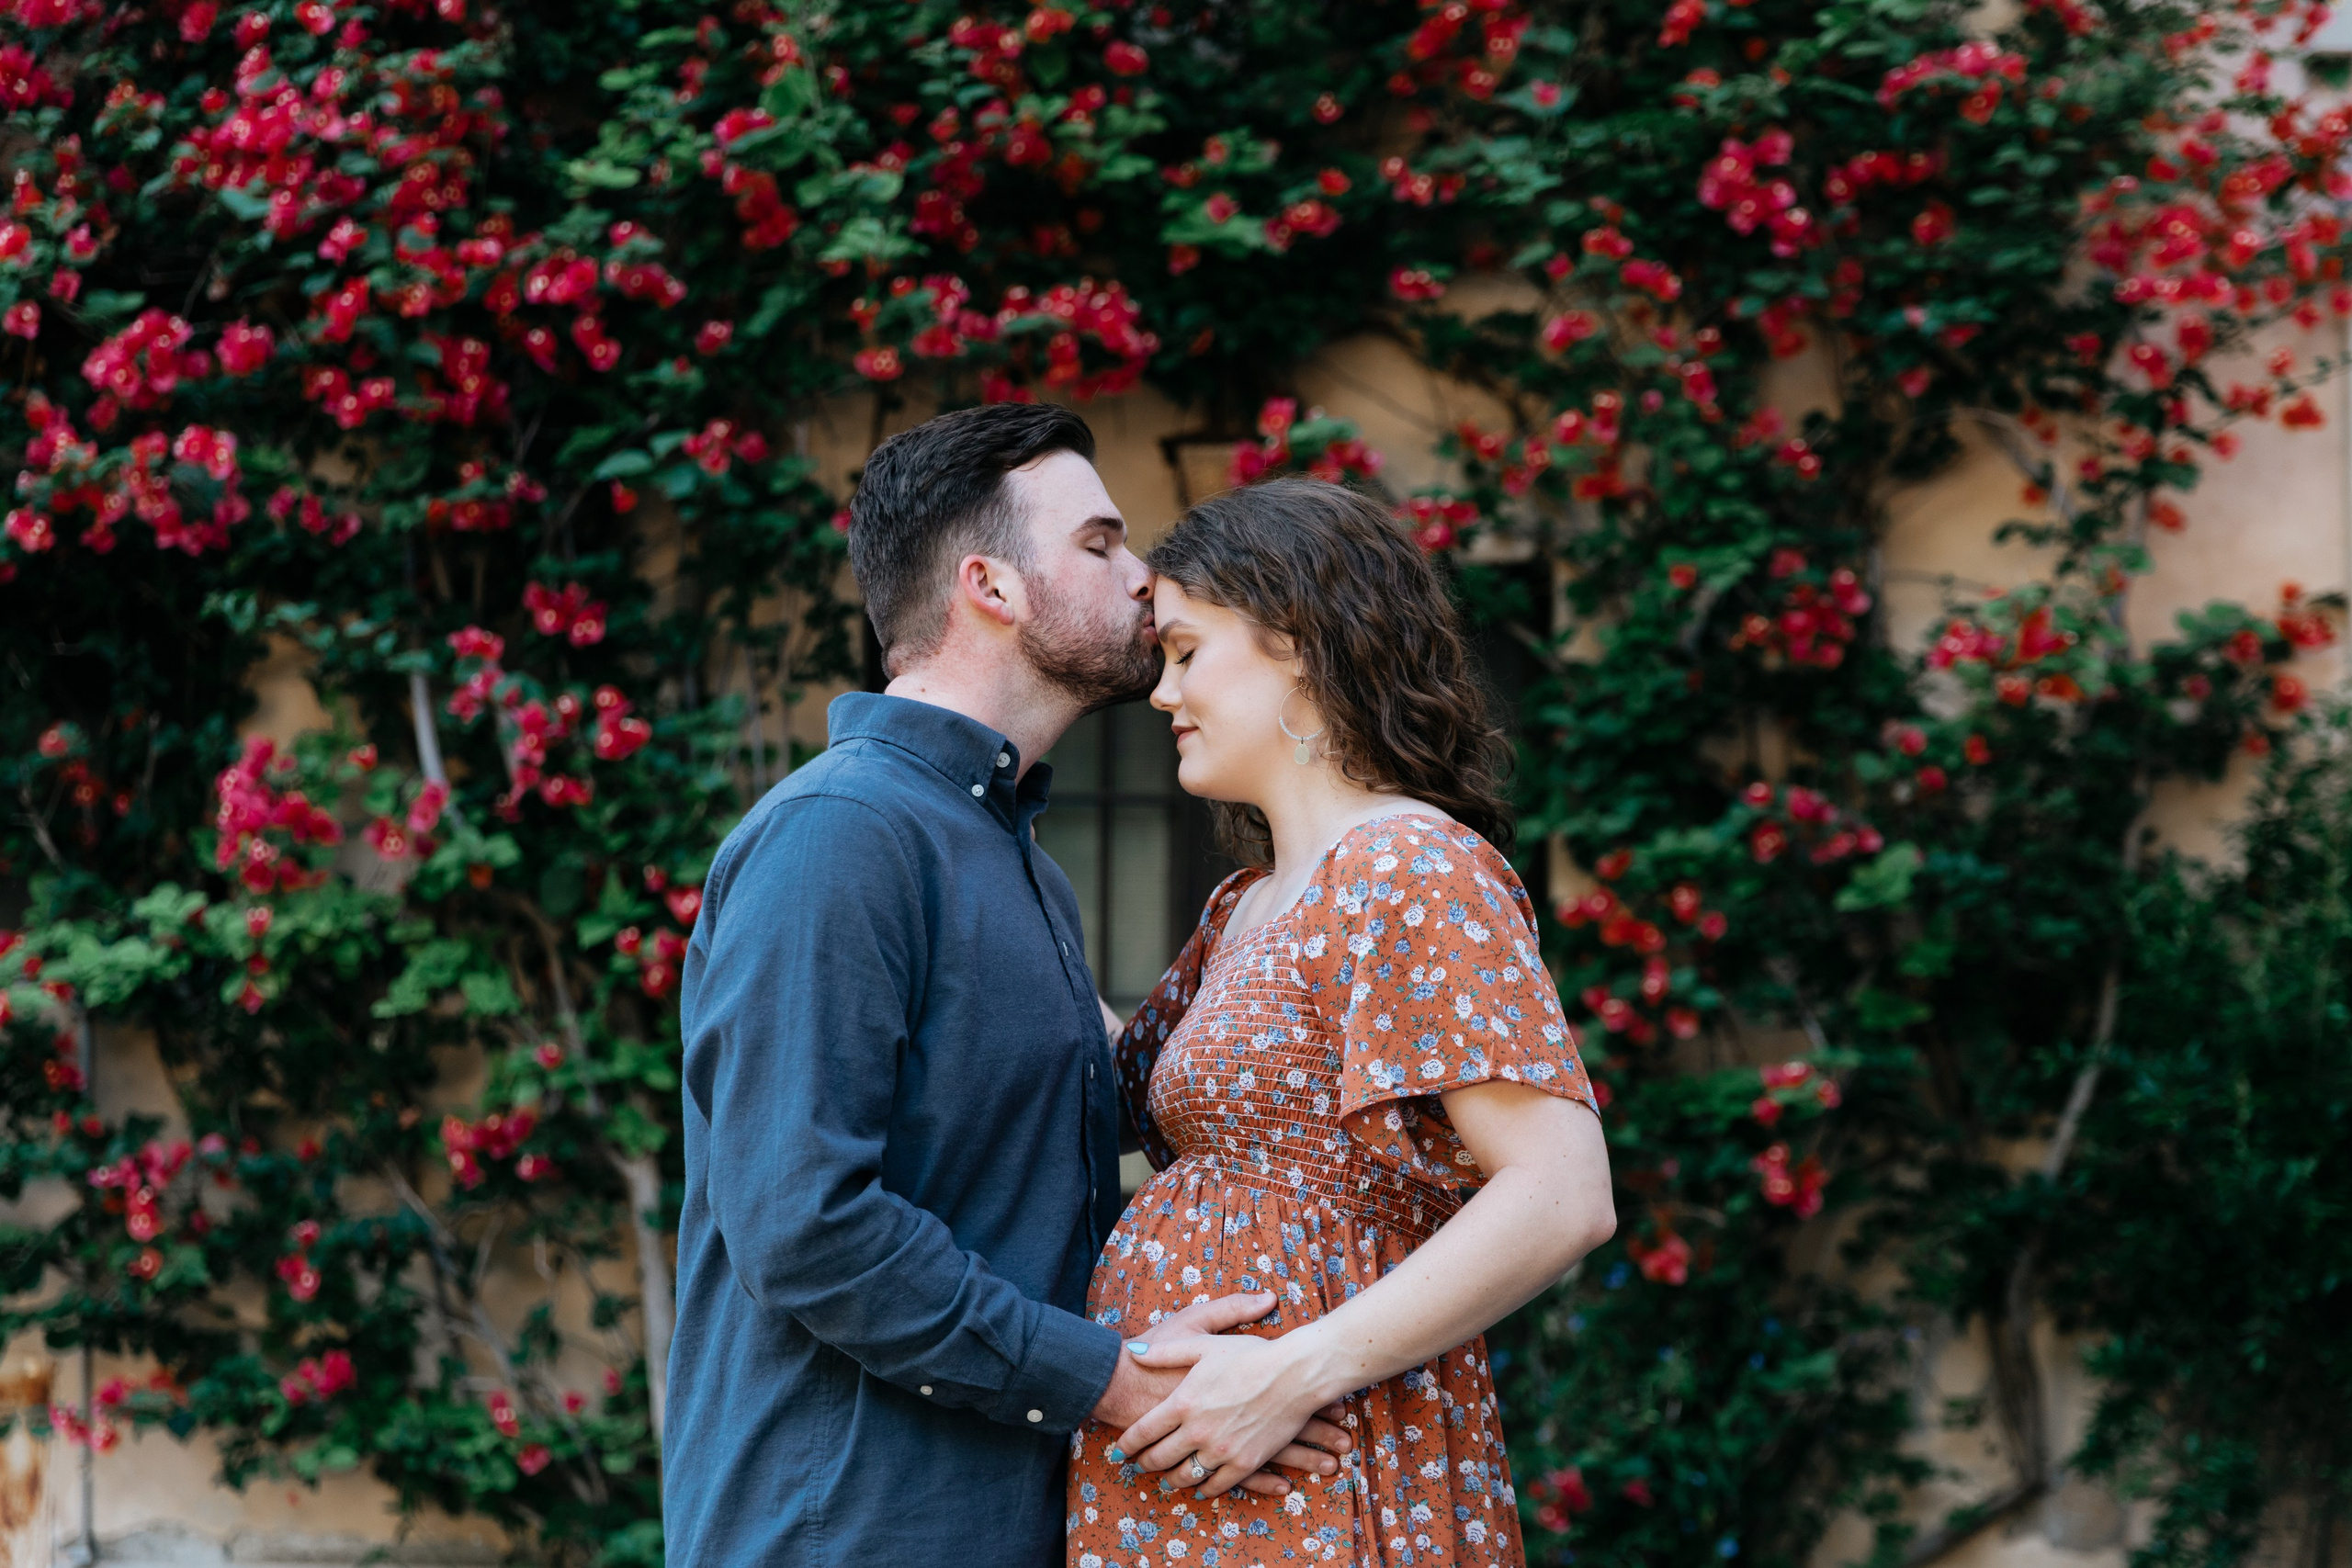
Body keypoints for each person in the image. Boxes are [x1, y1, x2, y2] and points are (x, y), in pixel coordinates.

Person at [666, 406, 1351, 1568]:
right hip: (849, 1537)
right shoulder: (841, 835)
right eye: (1100, 544)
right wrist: (1110, 1381)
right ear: (991, 584)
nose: (1144, 580)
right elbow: (806, 1225)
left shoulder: (1014, 859)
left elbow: (1014, 1194)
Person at [1066, 477, 1618, 1568]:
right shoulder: (1248, 902)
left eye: (1185, 652)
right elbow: (1100, 1090)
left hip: (1317, 1452)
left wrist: (1294, 1369)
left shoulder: (1411, 868)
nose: (1161, 692)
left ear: (1299, 645)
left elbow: (1562, 1195)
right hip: (1199, 1465)